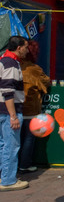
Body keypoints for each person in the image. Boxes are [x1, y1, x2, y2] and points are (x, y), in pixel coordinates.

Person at [0, 36, 29, 192]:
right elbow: (7, 91)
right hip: (8, 111)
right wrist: (13, 116)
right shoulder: (10, 63)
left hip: (2, 111)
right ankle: (9, 180)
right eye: (26, 47)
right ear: (19, 48)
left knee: (3, 145)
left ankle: (4, 176)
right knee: (11, 146)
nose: (27, 50)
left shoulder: (3, 60)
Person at [19, 40, 51, 173]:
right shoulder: (34, 69)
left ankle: (10, 167)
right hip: (31, 108)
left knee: (12, 140)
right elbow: (47, 81)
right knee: (28, 138)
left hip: (14, 109)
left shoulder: (14, 66)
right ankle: (24, 165)